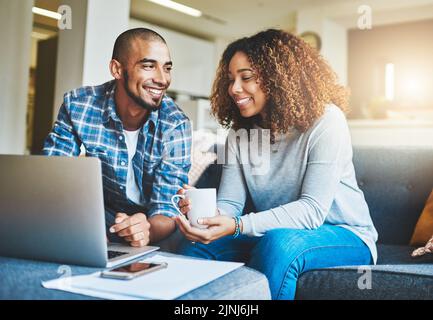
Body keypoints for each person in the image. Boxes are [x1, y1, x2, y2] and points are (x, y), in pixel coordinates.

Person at [173, 29, 378, 300]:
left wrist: (237, 225)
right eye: (230, 79)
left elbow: (312, 211)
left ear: (278, 78)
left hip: (346, 234)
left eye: (246, 77)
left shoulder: (327, 121)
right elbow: (231, 205)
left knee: (280, 243)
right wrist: (206, 215)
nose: (234, 89)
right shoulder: (240, 133)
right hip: (275, 233)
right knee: (195, 247)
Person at [43, 28, 192, 247]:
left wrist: (146, 230)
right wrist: (79, 222)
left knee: (176, 237)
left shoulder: (175, 124)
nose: (162, 79)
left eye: (167, 68)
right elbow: (53, 175)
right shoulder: (79, 105)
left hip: (152, 221)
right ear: (117, 69)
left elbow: (166, 208)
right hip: (100, 214)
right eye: (149, 66)